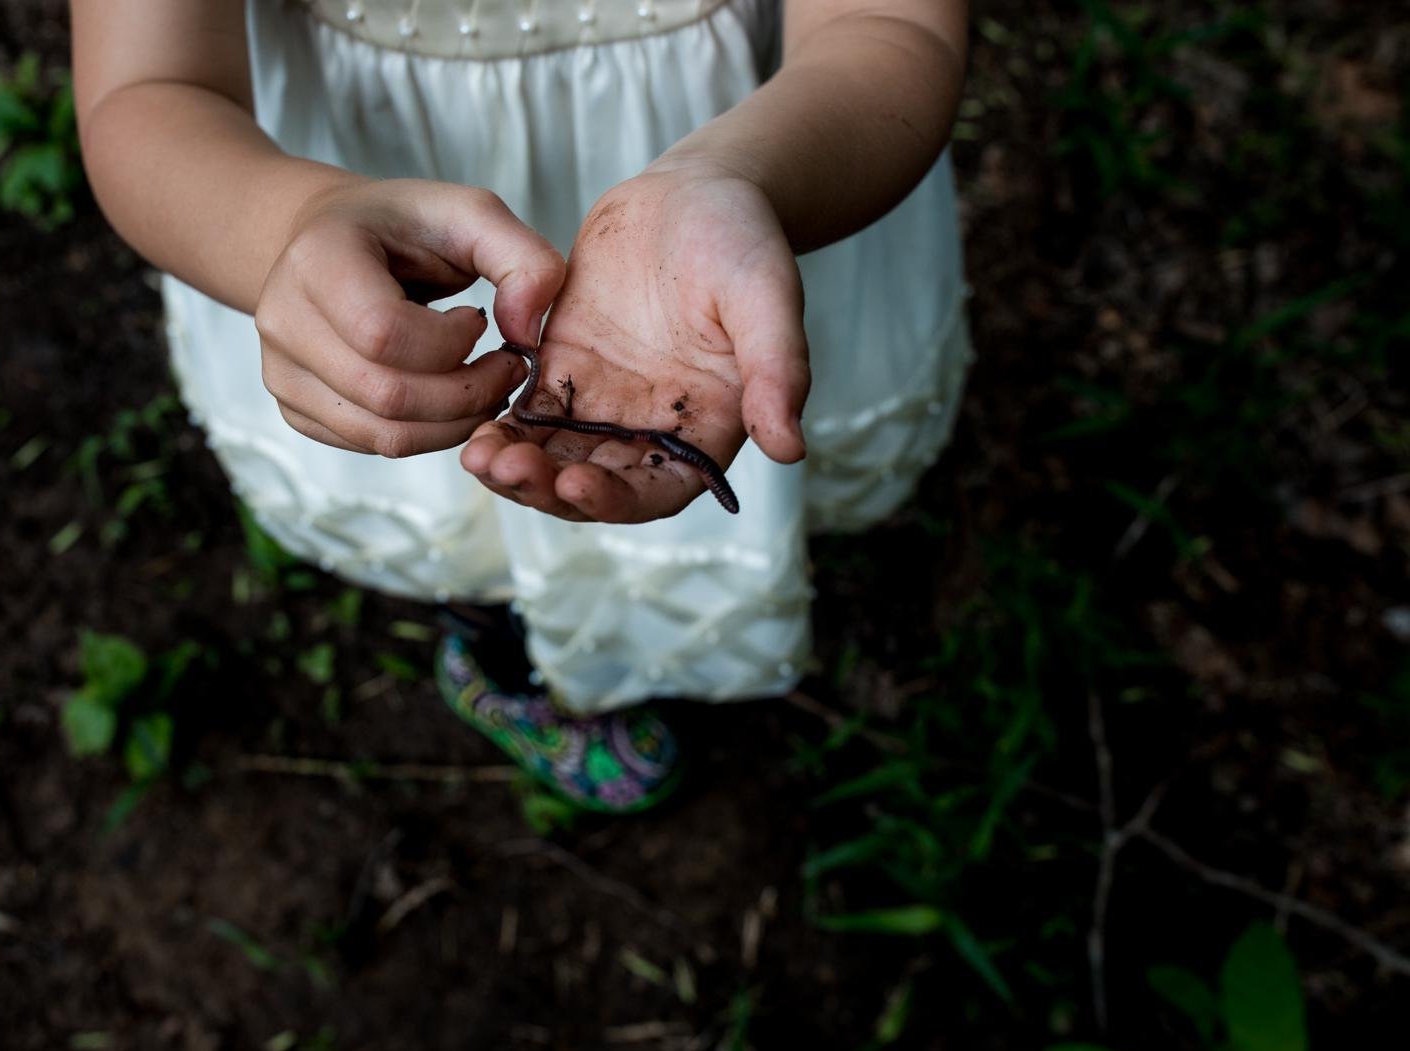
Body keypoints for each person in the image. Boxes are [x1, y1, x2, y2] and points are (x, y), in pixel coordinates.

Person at [70, 0, 972, 813]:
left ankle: (583, 634)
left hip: (764, 162)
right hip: (357, 221)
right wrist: (294, 225)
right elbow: (147, 88)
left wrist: (738, 177)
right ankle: (498, 648)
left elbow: (894, 27)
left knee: (575, 462)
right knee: (470, 500)